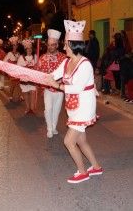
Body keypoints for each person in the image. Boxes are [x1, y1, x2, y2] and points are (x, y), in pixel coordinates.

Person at [47, 20, 103, 183]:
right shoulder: (66, 61)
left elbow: (77, 87)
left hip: (84, 107)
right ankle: (96, 167)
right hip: (73, 106)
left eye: (66, 44)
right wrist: (40, 76)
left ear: (74, 45)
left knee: (69, 141)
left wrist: (57, 85)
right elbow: (54, 74)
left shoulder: (85, 64)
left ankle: (82, 172)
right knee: (81, 140)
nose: (63, 47)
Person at [37, 29, 66, 138]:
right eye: (49, 45)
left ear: (57, 45)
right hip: (48, 89)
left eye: (53, 45)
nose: (50, 47)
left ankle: (53, 127)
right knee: (48, 109)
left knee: (57, 110)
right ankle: (49, 128)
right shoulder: (42, 58)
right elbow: (38, 72)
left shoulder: (63, 58)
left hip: (59, 89)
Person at [17, 39, 38, 114]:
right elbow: (18, 67)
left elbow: (37, 66)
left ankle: (32, 108)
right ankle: (27, 107)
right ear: (25, 49)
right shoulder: (21, 57)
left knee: (32, 92)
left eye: (30, 48)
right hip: (24, 78)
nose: (29, 50)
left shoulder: (35, 56)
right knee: (25, 93)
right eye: (27, 49)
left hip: (32, 78)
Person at [3, 36, 23, 102]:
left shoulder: (18, 54)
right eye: (14, 45)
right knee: (12, 85)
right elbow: (4, 61)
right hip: (12, 72)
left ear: (17, 46)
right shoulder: (9, 53)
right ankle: (10, 96)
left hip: (18, 71)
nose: (15, 46)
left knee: (19, 84)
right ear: (12, 46)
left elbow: (21, 62)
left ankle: (20, 96)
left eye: (16, 45)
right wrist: (8, 67)